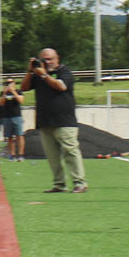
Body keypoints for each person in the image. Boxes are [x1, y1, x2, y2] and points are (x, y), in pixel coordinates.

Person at [22, 47, 86, 193]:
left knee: (71, 152)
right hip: (45, 121)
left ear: (57, 59)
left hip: (64, 121)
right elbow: (24, 87)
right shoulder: (37, 73)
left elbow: (61, 86)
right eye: (44, 59)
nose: (47, 62)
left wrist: (44, 75)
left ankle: (80, 182)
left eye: (50, 59)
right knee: (53, 157)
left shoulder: (64, 71)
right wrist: (30, 71)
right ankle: (59, 184)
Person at [0, 77, 25, 161]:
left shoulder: (18, 91)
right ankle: (12, 155)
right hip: (6, 117)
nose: (8, 84)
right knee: (9, 137)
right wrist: (5, 93)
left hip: (17, 116)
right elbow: (1, 103)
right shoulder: (3, 93)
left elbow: (21, 101)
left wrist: (13, 91)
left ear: (14, 83)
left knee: (19, 135)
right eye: (7, 83)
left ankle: (20, 154)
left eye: (10, 82)